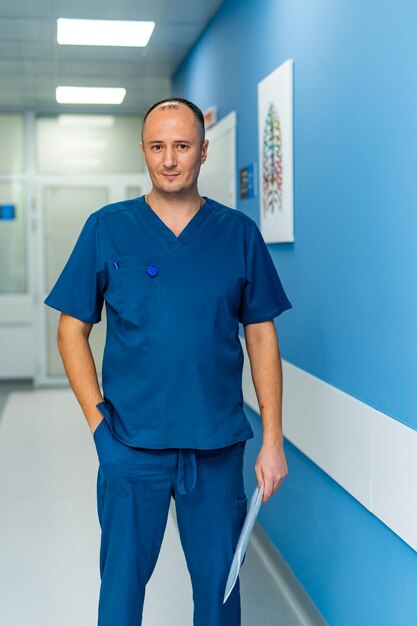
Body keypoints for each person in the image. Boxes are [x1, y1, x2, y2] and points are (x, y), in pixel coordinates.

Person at [44, 97, 292, 626]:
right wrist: (98, 428)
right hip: (131, 447)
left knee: (220, 595)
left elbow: (262, 336)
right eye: (157, 147)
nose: (170, 159)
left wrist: (272, 439)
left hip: (217, 448)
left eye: (182, 146)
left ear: (203, 152)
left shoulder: (238, 234)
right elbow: (71, 330)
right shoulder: (107, 228)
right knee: (120, 593)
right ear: (144, 151)